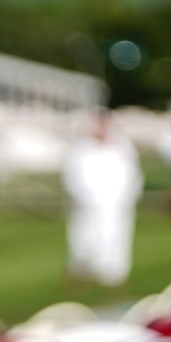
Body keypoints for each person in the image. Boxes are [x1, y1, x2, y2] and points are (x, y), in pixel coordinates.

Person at [62, 110, 139, 289]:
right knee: (84, 238)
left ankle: (113, 274)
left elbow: (131, 175)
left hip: (116, 203)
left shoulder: (122, 146)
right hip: (88, 204)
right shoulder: (81, 148)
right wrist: (86, 197)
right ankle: (82, 270)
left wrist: (127, 196)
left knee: (115, 236)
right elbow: (73, 177)